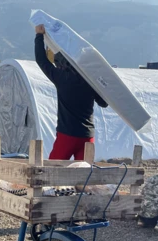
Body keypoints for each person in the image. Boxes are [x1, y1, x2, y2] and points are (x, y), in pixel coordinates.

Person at [34, 24, 109, 160]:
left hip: (67, 135)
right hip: (87, 136)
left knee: (53, 171)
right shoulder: (91, 81)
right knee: (84, 175)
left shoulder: (62, 77)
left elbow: (42, 61)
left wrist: (39, 36)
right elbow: (104, 103)